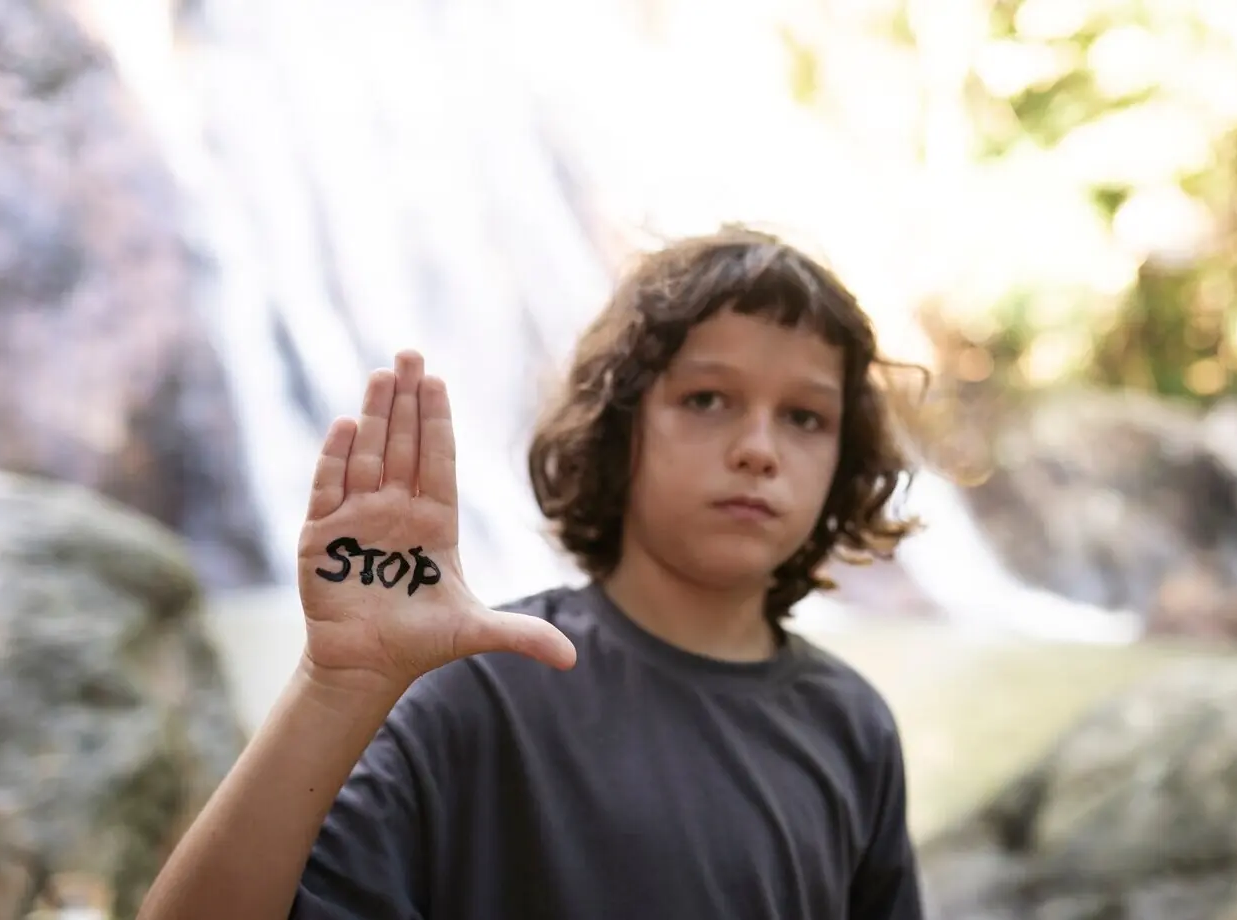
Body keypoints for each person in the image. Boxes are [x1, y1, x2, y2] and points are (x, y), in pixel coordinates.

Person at [138, 227, 926, 920]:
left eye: (805, 417)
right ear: (619, 428)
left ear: (842, 459)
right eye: (708, 398)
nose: (759, 448)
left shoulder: (852, 728)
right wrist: (334, 685)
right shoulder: (473, 691)